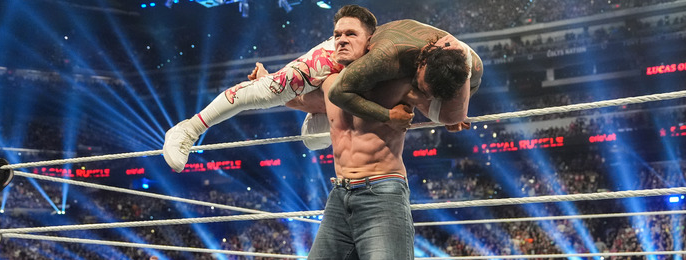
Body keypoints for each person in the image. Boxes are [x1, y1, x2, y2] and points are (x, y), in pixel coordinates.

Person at [274, 6, 446, 260]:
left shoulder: (394, 81)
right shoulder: (332, 82)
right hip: (340, 194)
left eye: (350, 33)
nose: (340, 39)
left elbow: (437, 101)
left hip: (384, 187)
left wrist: (450, 108)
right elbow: (297, 99)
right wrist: (262, 83)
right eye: (336, 34)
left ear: (371, 41)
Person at [162, 6, 482, 172]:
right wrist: (388, 114)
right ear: (424, 60)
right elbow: (342, 92)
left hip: (374, 78)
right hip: (350, 62)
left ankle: (310, 106)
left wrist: (450, 108)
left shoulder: (464, 65)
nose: (422, 93)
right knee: (269, 91)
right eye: (422, 87)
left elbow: (441, 99)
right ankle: (187, 130)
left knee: (314, 140)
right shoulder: (378, 54)